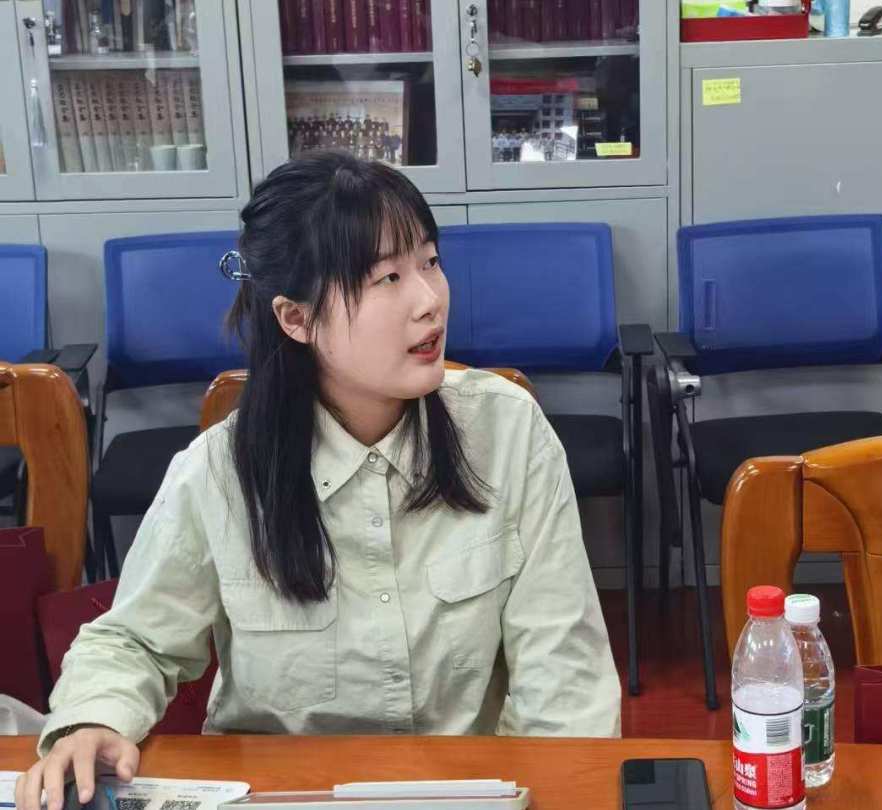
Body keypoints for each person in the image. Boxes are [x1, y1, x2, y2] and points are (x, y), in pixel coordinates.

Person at [16, 151, 620, 810]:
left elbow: (563, 668)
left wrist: (554, 791)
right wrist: (90, 719)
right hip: (282, 794)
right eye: (387, 277)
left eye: (430, 262)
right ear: (296, 318)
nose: (429, 301)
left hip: (469, 791)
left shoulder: (506, 431)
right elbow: (135, 639)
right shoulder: (220, 471)